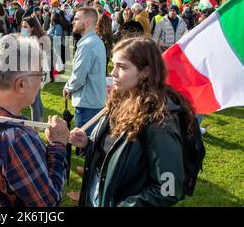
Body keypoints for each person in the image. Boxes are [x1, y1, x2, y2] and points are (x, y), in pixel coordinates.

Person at [69, 37, 194, 207]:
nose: (112, 73)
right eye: (113, 65)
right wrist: (88, 143)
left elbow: (168, 190)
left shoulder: (160, 120)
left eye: (122, 67)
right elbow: (117, 150)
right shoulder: (121, 97)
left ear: (145, 72)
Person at [0, 34, 69, 207]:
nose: (42, 83)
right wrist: (58, 145)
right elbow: (48, 202)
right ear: (21, 84)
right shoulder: (16, 139)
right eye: (41, 75)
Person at [63, 7, 107, 136]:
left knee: (86, 145)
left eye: (77, 19)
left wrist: (68, 87)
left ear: (87, 22)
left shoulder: (87, 45)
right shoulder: (95, 41)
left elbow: (78, 77)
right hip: (95, 100)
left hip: (87, 103)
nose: (73, 21)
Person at [21, 16, 51, 122]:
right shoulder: (35, 38)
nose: (22, 29)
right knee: (37, 100)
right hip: (37, 73)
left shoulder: (33, 41)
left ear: (32, 28)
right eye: (22, 26)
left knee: (33, 103)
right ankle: (41, 122)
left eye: (25, 26)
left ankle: (36, 129)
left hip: (33, 74)